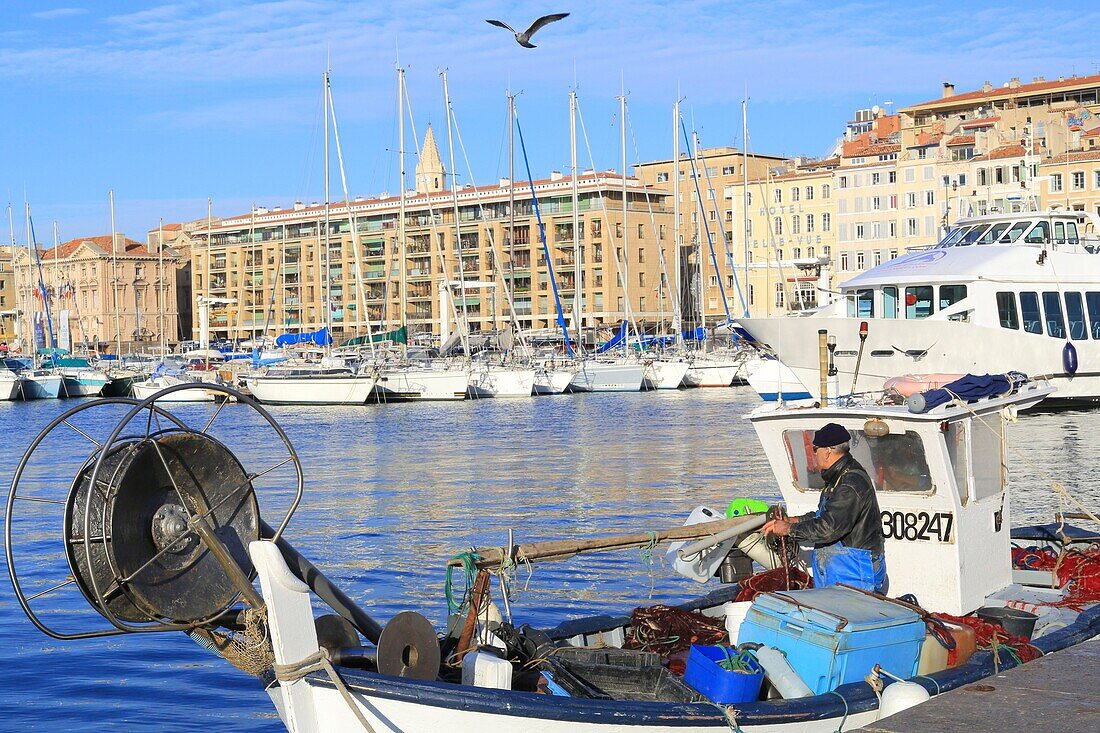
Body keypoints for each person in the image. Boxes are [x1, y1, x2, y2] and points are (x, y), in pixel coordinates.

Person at [762, 422, 888, 594]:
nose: (814, 454)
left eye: (816, 449)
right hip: (842, 570)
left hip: (855, 570)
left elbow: (829, 528)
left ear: (828, 450)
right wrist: (794, 520)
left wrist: (789, 529)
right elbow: (825, 515)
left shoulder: (849, 483)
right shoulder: (838, 478)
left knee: (848, 616)